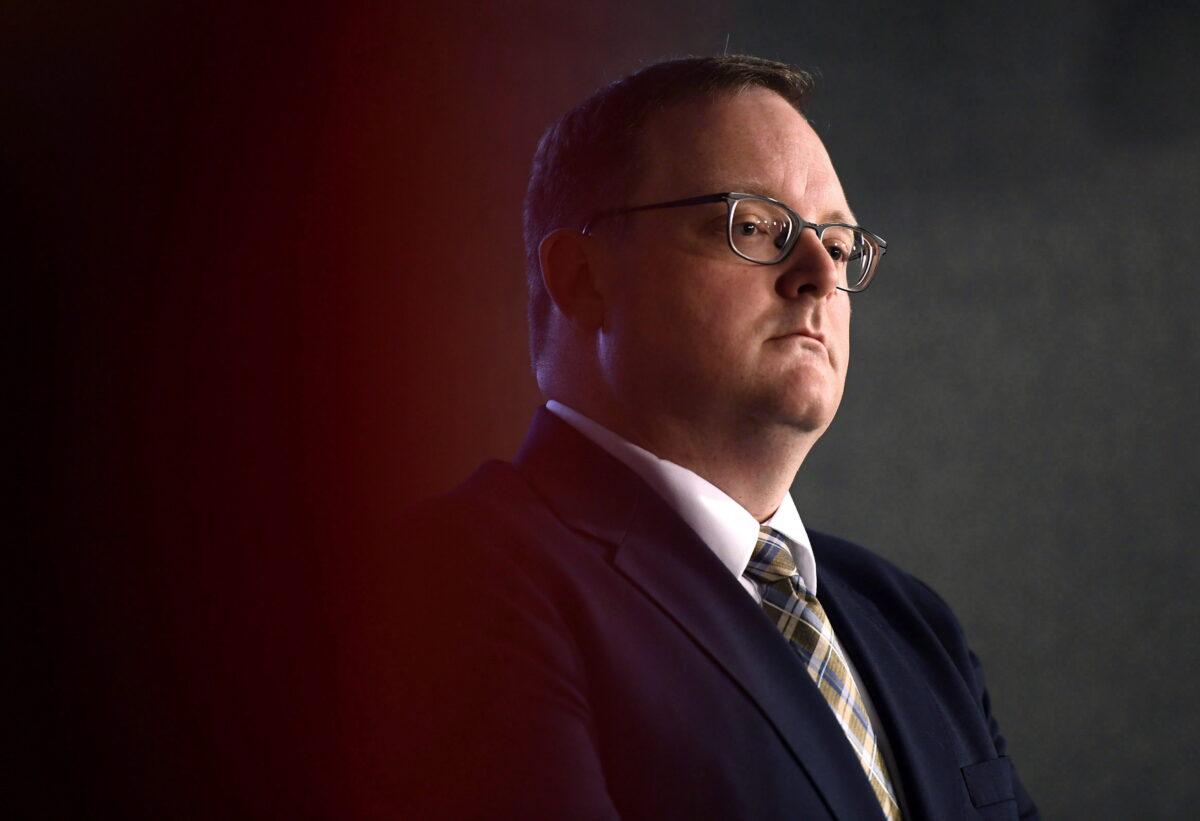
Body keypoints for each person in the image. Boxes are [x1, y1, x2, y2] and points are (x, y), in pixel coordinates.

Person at [343, 55, 1039, 820]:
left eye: (838, 246)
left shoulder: (911, 622)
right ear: (583, 279)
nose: (817, 273)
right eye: (754, 226)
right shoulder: (460, 584)